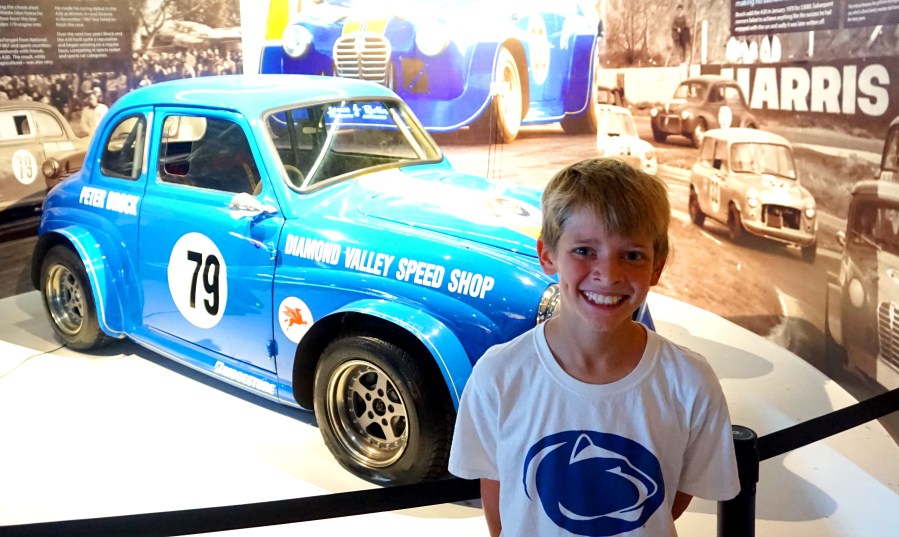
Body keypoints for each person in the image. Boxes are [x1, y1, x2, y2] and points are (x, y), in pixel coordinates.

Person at [448, 158, 740, 536]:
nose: (608, 275)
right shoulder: (499, 374)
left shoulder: (690, 381)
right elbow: (500, 497)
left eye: (631, 255)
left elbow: (669, 499)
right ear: (547, 254)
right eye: (585, 250)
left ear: (657, 267)